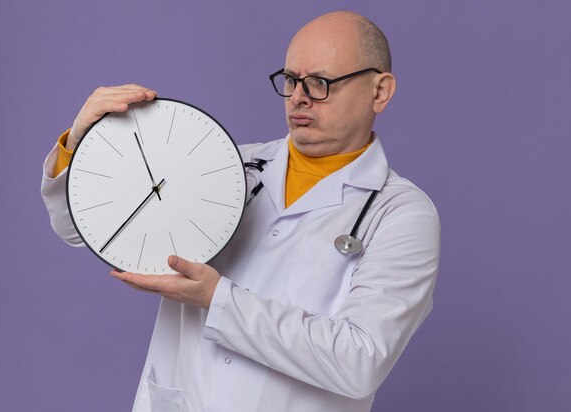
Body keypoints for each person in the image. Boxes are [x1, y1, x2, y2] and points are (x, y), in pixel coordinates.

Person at [41, 10, 440, 412]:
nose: (299, 97)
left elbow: (359, 361)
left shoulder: (401, 215)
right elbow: (83, 230)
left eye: (320, 83)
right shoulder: (229, 167)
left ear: (380, 91)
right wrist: (80, 143)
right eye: (290, 80)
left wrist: (218, 299)